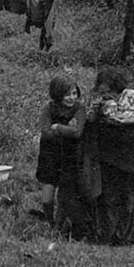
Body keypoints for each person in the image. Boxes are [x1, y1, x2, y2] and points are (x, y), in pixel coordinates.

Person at [31, 75, 86, 225]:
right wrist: (67, 130)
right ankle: (50, 221)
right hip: (50, 154)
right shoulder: (49, 108)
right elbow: (46, 132)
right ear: (58, 94)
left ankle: (59, 225)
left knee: (65, 195)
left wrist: (58, 127)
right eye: (67, 94)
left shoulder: (79, 108)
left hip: (70, 155)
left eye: (74, 93)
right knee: (47, 196)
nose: (72, 98)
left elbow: (77, 132)